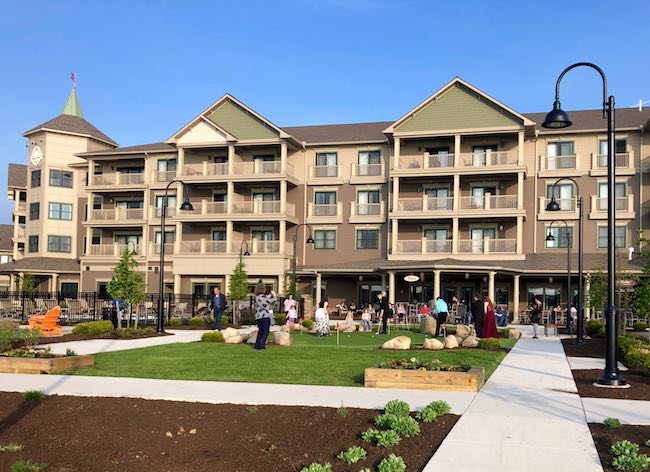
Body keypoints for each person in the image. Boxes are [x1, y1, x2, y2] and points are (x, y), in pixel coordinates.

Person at [254, 284, 276, 351]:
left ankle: (257, 345)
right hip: (265, 316)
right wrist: (274, 295)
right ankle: (262, 347)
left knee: (260, 331)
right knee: (265, 332)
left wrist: (269, 296)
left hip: (258, 317)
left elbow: (265, 300)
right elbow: (271, 302)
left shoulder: (257, 297)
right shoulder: (263, 297)